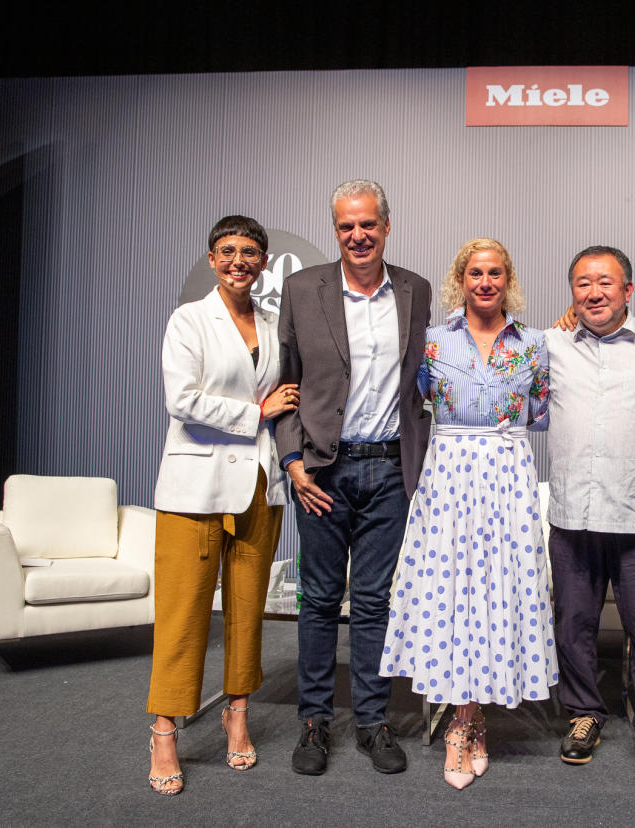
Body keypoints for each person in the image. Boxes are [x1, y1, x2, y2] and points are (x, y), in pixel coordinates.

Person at [379, 237, 556, 790]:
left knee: (495, 593)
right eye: (475, 272)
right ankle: (463, 721)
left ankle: (471, 718)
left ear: (509, 280)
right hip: (449, 476)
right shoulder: (431, 344)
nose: (485, 281)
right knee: (451, 594)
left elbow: (541, 413)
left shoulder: (535, 344)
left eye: (495, 272)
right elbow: (412, 404)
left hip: (506, 476)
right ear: (461, 278)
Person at [274, 180, 432, 776]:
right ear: (334, 229)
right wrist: (292, 463)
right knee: (316, 601)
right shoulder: (301, 288)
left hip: (390, 469)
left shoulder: (414, 291)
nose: (357, 236)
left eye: (367, 224)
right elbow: (283, 387)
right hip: (322, 473)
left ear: (386, 226)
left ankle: (372, 721)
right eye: (346, 226)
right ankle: (313, 723)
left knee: (373, 604)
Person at [146, 215, 298, 795]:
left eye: (251, 253)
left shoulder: (272, 323)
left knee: (246, 609)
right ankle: (165, 729)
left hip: (259, 487)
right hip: (195, 490)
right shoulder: (189, 320)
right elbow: (181, 400)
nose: (240, 261)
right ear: (212, 258)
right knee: (183, 614)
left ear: (263, 263)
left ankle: (238, 714)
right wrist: (255, 413)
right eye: (228, 251)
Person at [545, 246, 635, 781]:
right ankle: (583, 713)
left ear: (629, 290)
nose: (593, 293)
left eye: (605, 282)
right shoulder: (549, 343)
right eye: (582, 283)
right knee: (572, 626)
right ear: (571, 292)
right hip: (573, 512)